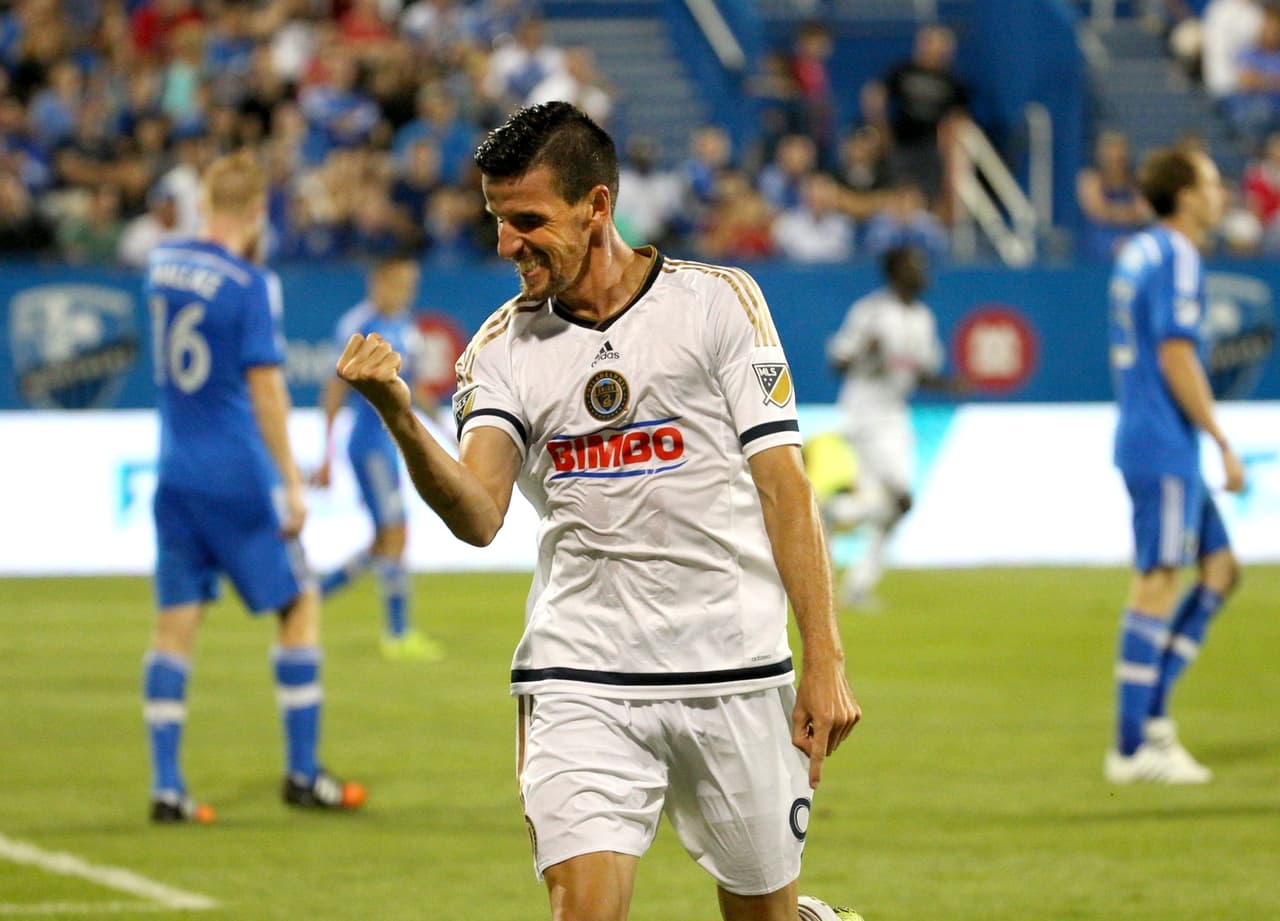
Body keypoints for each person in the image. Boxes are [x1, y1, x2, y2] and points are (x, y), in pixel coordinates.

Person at [335, 102, 861, 921]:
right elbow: (479, 514)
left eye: (528, 220)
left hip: (733, 664)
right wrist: (402, 418)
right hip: (582, 671)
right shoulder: (499, 350)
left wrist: (824, 657)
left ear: (597, 207)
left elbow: (784, 488)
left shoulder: (719, 303)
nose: (507, 243)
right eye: (497, 219)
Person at [143, 149, 365, 823]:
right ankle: (303, 773)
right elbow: (266, 386)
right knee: (299, 602)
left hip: (174, 472)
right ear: (258, 211)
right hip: (236, 475)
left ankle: (167, 787)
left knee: (175, 623)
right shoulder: (249, 283)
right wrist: (291, 483)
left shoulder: (160, 264)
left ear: (206, 201)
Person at [1105, 145, 1245, 785]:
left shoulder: (1139, 251)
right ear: (1186, 196)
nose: (1221, 193)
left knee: (1220, 569)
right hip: (1165, 440)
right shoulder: (1179, 254)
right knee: (1158, 580)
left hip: (1154, 434)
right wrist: (1220, 438)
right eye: (1212, 182)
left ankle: (1153, 719)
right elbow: (1176, 353)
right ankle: (1133, 746)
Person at [313, 254, 445, 662]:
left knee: (384, 540)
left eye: (411, 283)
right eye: (400, 283)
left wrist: (448, 434)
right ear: (380, 282)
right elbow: (334, 392)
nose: (407, 291)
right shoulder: (359, 325)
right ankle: (398, 633)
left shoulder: (406, 326)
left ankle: (311, 595)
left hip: (389, 445)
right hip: (368, 444)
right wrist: (325, 454)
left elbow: (414, 389)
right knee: (395, 533)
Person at [825, 245, 950, 610]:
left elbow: (920, 371)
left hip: (895, 414)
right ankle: (834, 515)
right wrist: (866, 351)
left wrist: (951, 384)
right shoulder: (871, 312)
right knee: (901, 499)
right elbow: (838, 362)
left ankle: (843, 529)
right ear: (896, 272)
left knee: (886, 506)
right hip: (866, 413)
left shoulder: (922, 318)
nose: (922, 272)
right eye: (914, 265)